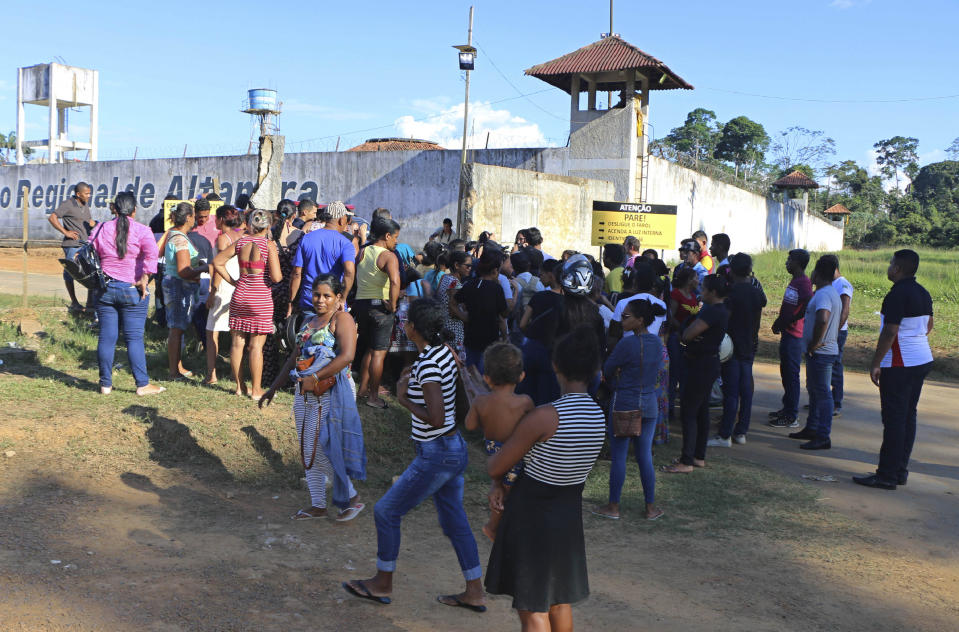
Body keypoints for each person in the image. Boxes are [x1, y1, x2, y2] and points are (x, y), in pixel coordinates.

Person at [343, 298, 485, 611]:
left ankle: (382, 582)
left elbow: (434, 417)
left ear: (412, 329)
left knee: (386, 511)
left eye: (405, 322)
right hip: (452, 448)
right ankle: (474, 590)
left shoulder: (430, 362)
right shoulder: (442, 353)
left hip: (437, 453)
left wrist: (403, 397)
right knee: (454, 521)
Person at [484, 327, 606, 630]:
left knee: (532, 606)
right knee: (557, 599)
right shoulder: (598, 414)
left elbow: (496, 466)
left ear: (555, 366)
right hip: (567, 513)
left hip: (531, 515)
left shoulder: (545, 416)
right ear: (594, 370)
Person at [260, 274, 367, 520]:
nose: (320, 300)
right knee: (306, 447)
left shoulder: (343, 319)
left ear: (338, 297)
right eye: (316, 294)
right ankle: (318, 504)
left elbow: (348, 356)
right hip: (304, 391)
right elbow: (294, 357)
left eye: (326, 295)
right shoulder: (308, 321)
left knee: (320, 447)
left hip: (332, 391)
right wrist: (274, 387)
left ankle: (350, 496)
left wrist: (316, 378)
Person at [853, 250, 934, 490]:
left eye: (891, 264)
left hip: (900, 363)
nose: (889, 267)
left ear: (897, 269)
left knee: (895, 420)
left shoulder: (897, 294)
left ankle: (886, 475)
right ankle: (899, 471)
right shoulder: (923, 292)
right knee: (908, 416)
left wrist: (876, 362)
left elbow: (890, 332)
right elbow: (929, 325)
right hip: (921, 359)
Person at [593, 299, 666, 521]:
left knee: (620, 457)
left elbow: (607, 368)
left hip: (625, 401)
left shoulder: (626, 344)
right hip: (649, 403)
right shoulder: (657, 343)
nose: (621, 320)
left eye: (626, 317)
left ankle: (614, 506)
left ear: (639, 320)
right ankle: (650, 507)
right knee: (644, 456)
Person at [88, 192, 164, 396]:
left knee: (106, 337)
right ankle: (142, 384)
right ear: (134, 210)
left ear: (114, 208)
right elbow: (152, 254)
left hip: (105, 289)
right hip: (133, 289)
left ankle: (105, 384)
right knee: (134, 338)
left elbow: (89, 249)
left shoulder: (101, 228)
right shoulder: (143, 230)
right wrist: (145, 278)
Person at [464, 343, 535, 541]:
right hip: (515, 454)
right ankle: (494, 527)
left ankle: (497, 526)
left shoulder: (481, 401)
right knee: (507, 493)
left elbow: (469, 426)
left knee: (502, 489)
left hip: (494, 452)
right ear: (521, 376)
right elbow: (534, 429)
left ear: (486, 378)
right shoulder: (525, 402)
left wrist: (476, 402)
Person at [663, 274, 729, 473]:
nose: (700, 292)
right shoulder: (719, 310)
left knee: (689, 412)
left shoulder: (711, 312)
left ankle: (687, 460)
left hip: (700, 364)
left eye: (704, 288)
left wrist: (688, 328)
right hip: (707, 362)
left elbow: (688, 334)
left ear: (713, 292)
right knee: (701, 412)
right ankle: (698, 456)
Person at [214, 209, 282, 399]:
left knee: (237, 344)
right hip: (260, 297)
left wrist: (234, 281)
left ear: (251, 224)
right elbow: (276, 277)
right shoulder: (268, 245)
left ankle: (239, 387)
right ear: (268, 226)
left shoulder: (241, 242)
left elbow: (218, 262)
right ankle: (257, 390)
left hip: (240, 294)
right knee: (256, 347)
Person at [708, 253, 766, 447]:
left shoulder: (730, 293)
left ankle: (724, 435)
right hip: (748, 345)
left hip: (731, 347)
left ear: (731, 270)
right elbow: (757, 321)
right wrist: (753, 339)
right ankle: (741, 432)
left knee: (731, 392)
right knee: (746, 390)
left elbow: (726, 320)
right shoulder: (756, 293)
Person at [787, 256, 842, 450]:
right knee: (815, 391)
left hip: (822, 352)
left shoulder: (823, 295)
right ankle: (812, 428)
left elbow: (822, 318)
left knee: (823, 393)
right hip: (821, 351)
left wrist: (814, 343)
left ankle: (822, 435)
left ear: (817, 274)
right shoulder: (829, 292)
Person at [353, 218, 401, 409]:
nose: (396, 241)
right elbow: (395, 282)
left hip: (362, 305)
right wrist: (393, 305)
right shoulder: (389, 256)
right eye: (395, 237)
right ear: (387, 236)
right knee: (379, 353)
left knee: (369, 350)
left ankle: (363, 389)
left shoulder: (363, 251)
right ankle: (373, 397)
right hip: (380, 308)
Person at [768, 249, 813, 428]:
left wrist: (791, 319)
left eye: (790, 259)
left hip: (795, 335)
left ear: (798, 263)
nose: (787, 262)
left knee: (791, 375)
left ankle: (791, 416)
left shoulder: (803, 282)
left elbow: (807, 303)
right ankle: (787, 408)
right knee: (785, 373)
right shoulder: (796, 281)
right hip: (788, 332)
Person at [161, 202, 206, 380]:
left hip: (177, 285)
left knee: (177, 328)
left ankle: (177, 366)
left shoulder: (174, 234)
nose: (195, 219)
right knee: (176, 329)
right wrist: (205, 268)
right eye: (194, 215)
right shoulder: (180, 239)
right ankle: (173, 372)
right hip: (179, 286)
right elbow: (184, 270)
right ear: (188, 218)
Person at [288, 200, 357, 316]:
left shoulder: (307, 238)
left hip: (309, 301)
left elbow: (296, 273)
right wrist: (342, 299)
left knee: (308, 333)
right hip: (333, 303)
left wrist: (291, 301)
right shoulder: (345, 243)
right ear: (341, 219)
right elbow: (349, 272)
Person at [204, 205, 244, 384]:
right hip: (239, 287)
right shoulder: (242, 236)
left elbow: (220, 267)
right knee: (237, 335)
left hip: (224, 288)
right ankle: (236, 374)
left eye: (216, 218)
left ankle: (211, 374)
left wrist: (212, 291)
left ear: (221, 219)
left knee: (212, 331)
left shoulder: (222, 239)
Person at [517, 259, 564, 406]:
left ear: (551, 275)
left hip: (532, 349)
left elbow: (523, 323)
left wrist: (531, 332)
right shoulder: (568, 301)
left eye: (542, 274)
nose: (540, 277)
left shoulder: (538, 297)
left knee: (528, 391)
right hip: (555, 353)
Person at [455, 249, 509, 371]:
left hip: (471, 336)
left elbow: (453, 302)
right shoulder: (496, 288)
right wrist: (505, 336)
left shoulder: (470, 285)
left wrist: (465, 317)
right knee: (486, 374)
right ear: (495, 270)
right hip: (490, 338)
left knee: (471, 372)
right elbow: (503, 314)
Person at [50, 181, 95, 314]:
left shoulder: (85, 204)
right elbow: (52, 217)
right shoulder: (68, 204)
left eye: (89, 193)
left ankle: (90, 303)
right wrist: (66, 232)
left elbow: (87, 222)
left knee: (91, 271)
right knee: (71, 272)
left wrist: (95, 225)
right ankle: (74, 302)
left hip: (86, 244)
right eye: (86, 193)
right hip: (72, 245)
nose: (89, 196)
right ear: (78, 194)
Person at [667, 267, 701, 417]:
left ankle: (684, 406)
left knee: (686, 373)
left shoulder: (693, 295)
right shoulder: (676, 294)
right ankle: (670, 407)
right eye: (696, 277)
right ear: (689, 280)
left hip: (689, 339)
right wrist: (681, 329)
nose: (698, 281)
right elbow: (671, 316)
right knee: (675, 372)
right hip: (677, 338)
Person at [824, 254, 853, 416]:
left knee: (835, 366)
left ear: (834, 268)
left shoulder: (842, 283)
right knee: (826, 366)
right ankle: (824, 399)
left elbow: (845, 309)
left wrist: (835, 331)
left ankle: (836, 403)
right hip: (829, 330)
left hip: (837, 332)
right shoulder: (831, 283)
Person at [436, 250, 472, 357]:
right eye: (467, 266)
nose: (470, 269)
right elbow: (453, 309)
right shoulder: (455, 283)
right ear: (457, 265)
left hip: (443, 324)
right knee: (456, 360)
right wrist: (467, 319)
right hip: (454, 327)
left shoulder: (444, 277)